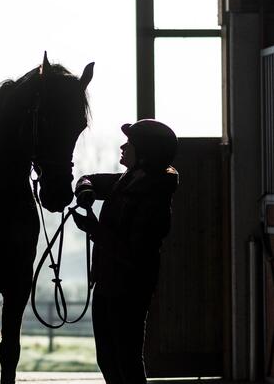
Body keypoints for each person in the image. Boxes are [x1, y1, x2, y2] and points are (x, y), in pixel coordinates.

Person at [71, 119, 179, 384]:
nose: (123, 146)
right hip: (110, 282)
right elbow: (90, 180)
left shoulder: (153, 198)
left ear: (144, 153)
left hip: (128, 287)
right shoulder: (128, 181)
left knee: (126, 358)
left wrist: (94, 230)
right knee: (109, 357)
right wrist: (85, 189)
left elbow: (133, 252)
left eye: (129, 144)